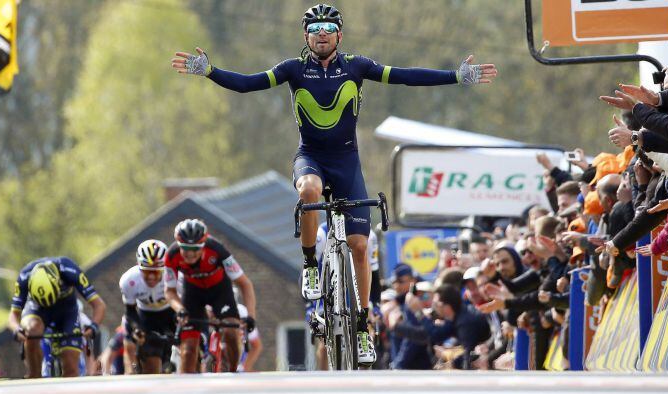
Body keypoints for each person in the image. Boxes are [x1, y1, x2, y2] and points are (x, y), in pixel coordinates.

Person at [171, 3, 497, 365]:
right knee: (308, 191)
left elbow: (406, 75)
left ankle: (361, 328)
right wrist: (210, 71)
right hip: (310, 156)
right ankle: (311, 264)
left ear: (339, 35)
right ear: (306, 36)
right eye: (315, 28)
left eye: (329, 26)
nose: (322, 32)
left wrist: (457, 76)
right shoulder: (293, 69)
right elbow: (248, 84)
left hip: (347, 161)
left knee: (359, 245)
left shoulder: (356, 66)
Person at [163, 219, 256, 373]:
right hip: (193, 293)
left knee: (231, 332)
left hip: (219, 291)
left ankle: (234, 373)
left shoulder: (217, 250)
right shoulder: (171, 256)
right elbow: (170, 291)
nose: (190, 254)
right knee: (188, 350)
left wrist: (251, 316)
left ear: (204, 244)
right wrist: (179, 309)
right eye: (185, 248)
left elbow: (245, 284)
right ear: (178, 245)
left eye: (195, 249)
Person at [7, 257, 106, 378]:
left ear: (58, 283)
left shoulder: (70, 270)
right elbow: (13, 315)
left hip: (67, 312)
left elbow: (99, 305)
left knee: (70, 366)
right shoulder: (24, 276)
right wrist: (17, 329)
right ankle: (34, 376)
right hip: (37, 310)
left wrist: (93, 326)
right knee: (32, 331)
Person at [120, 239, 176, 374]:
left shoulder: (174, 275)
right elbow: (130, 311)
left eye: (156, 272)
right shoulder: (129, 280)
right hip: (146, 317)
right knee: (151, 364)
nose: (151, 276)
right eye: (146, 271)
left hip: (171, 313)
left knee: (188, 350)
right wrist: (137, 328)